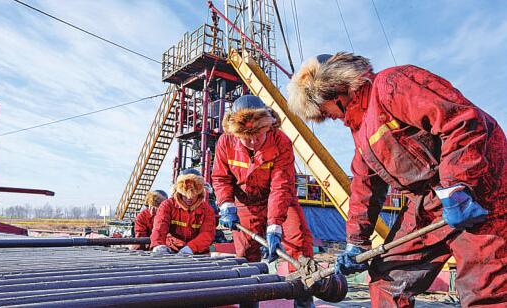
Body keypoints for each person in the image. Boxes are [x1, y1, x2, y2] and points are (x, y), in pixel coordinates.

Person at [287, 52, 507, 307]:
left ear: (335, 90)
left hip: (481, 191)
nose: (328, 116)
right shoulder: (360, 130)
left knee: (486, 289)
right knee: (387, 278)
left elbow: (460, 121)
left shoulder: (391, 85)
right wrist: (356, 243)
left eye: (323, 109)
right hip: (430, 203)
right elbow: (364, 185)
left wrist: (457, 185)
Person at [212, 95, 315, 308]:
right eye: (245, 137)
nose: (252, 142)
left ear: (267, 126)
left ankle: (304, 302)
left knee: (299, 244)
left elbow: (281, 184)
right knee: (247, 254)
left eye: (258, 135)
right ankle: (249, 303)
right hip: (245, 202)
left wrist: (275, 223)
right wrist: (226, 204)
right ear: (235, 132)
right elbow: (221, 177)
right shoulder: (225, 142)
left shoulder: (281, 141)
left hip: (279, 198)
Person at [150, 168, 215, 255]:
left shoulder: (207, 210)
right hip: (171, 249)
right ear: (179, 191)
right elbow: (160, 227)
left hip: (197, 252)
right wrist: (158, 245)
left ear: (199, 193)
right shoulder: (167, 205)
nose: (189, 198)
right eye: (185, 195)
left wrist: (191, 248)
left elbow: (207, 234)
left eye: (193, 195)